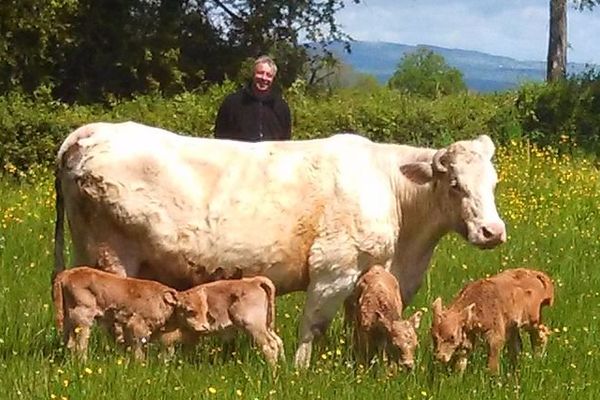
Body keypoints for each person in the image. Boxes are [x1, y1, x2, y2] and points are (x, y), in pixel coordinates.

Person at [214, 56, 292, 142]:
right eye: (260, 73)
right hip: (238, 154)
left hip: (270, 154)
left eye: (269, 75)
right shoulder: (232, 102)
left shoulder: (281, 107)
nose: (264, 78)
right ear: (253, 73)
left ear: (273, 78)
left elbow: (285, 140)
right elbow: (220, 136)